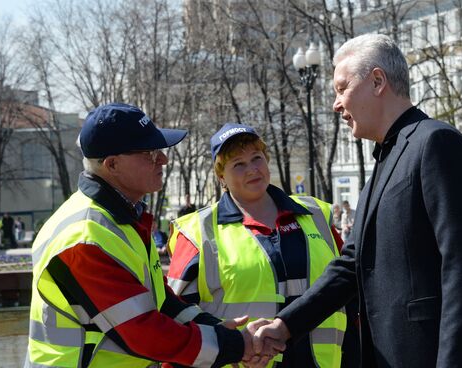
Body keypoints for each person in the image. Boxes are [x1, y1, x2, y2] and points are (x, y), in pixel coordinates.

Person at [248, 33, 462, 368]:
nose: (336, 103)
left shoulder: (436, 143)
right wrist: (285, 326)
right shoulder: (388, 158)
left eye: (342, 88)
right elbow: (350, 266)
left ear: (377, 81)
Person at [25, 103, 278, 367]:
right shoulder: (84, 238)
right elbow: (142, 331)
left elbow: (159, 299)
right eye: (149, 153)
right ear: (112, 164)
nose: (164, 160)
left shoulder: (117, 220)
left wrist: (216, 329)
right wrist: (235, 345)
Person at [167, 123, 354, 367]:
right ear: (221, 176)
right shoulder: (196, 232)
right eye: (238, 164)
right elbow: (176, 318)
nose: (252, 169)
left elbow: (349, 288)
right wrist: (228, 347)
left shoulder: (316, 215)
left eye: (257, 158)